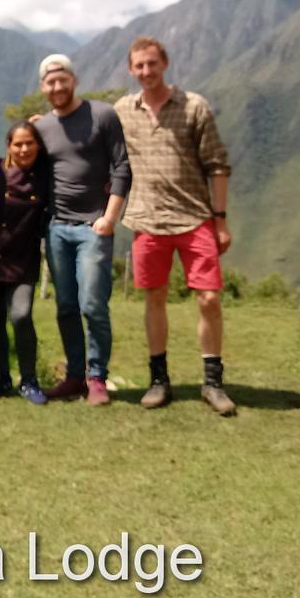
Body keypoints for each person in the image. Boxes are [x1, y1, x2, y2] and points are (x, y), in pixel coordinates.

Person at [113, 36, 236, 416]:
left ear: (164, 63)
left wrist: (220, 219)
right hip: (147, 220)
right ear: (131, 70)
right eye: (139, 66)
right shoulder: (123, 110)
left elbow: (217, 163)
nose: (146, 71)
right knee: (154, 298)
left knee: (210, 298)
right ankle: (158, 379)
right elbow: (95, 138)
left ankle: (212, 382)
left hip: (195, 217)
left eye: (152, 63)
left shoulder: (194, 106)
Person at [32, 54, 131, 406]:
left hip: (94, 225)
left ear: (74, 80)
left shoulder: (102, 115)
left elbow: (122, 166)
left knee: (93, 303)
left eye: (62, 80)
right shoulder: (42, 127)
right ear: (43, 87)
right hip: (57, 227)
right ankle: (75, 376)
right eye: (49, 82)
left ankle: (97, 377)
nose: (57, 87)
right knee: (65, 306)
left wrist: (109, 218)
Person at [0, 121, 49, 405]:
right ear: (8, 146)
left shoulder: (44, 176)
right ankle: (1, 378)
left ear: (39, 146)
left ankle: (29, 379)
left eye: (30, 143)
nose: (24, 149)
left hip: (23, 260)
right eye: (18, 144)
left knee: (20, 315)